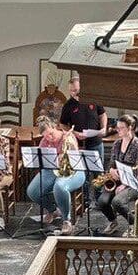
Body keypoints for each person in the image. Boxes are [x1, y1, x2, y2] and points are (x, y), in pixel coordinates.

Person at [26, 116, 86, 235]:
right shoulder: (45, 141)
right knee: (32, 191)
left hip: (73, 170)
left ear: (56, 128)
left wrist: (66, 153)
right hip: (52, 170)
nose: (49, 137)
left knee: (59, 186)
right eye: (45, 136)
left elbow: (76, 160)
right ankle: (53, 210)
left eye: (51, 134)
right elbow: (42, 161)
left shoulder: (68, 137)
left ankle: (66, 221)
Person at [59, 73, 107, 204]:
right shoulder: (68, 105)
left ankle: (99, 199)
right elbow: (62, 124)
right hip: (79, 144)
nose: (74, 93)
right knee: (82, 174)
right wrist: (74, 133)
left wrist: (103, 128)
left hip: (96, 141)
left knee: (98, 171)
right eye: (71, 91)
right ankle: (85, 199)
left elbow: (103, 115)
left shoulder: (93, 99)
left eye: (76, 90)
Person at [96, 114, 138, 235]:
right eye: (117, 127)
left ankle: (135, 223)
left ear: (130, 128)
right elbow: (112, 163)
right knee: (102, 201)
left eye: (121, 128)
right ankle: (113, 221)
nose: (117, 130)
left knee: (117, 202)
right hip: (118, 180)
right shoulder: (117, 143)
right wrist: (112, 170)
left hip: (134, 183)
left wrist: (124, 185)